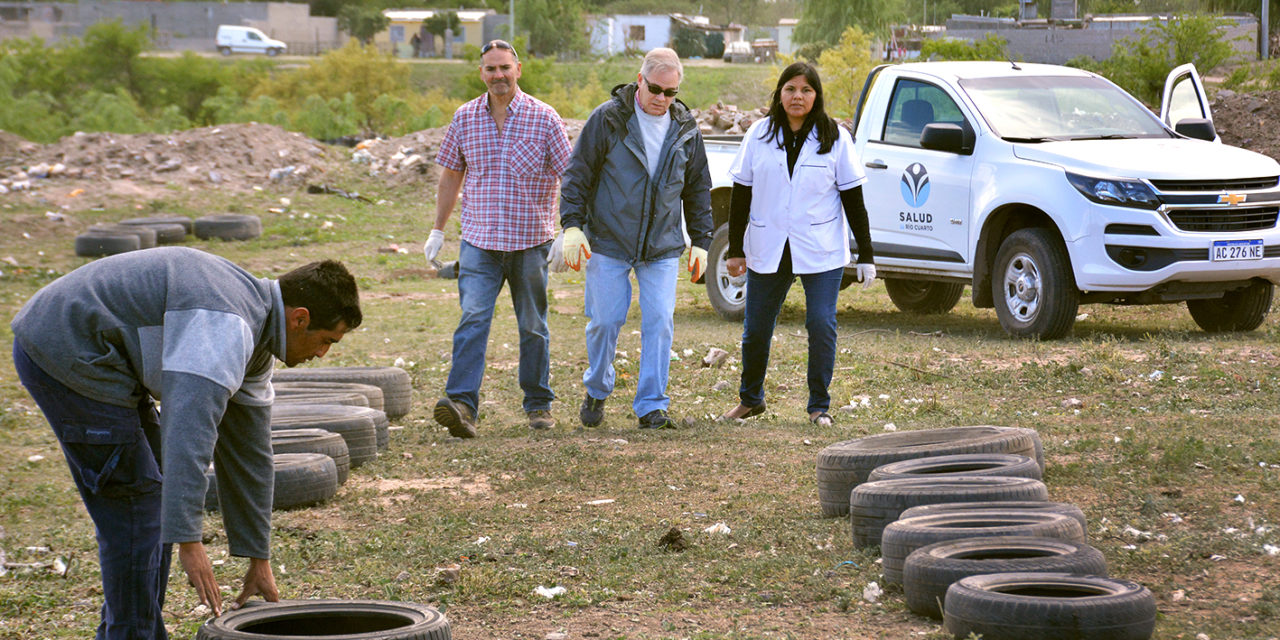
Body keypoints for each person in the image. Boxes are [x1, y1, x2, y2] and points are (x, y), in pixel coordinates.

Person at [11, 247, 362, 639]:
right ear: (300, 319)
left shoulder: (258, 337)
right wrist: (189, 541)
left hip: (106, 354)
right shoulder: (226, 327)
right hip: (69, 347)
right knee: (137, 502)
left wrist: (257, 554)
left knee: (151, 495)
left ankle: (127, 630)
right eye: (327, 340)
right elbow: (188, 431)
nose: (321, 353)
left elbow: (250, 452)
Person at [559, 47, 714, 430]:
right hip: (609, 241)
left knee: (660, 321)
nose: (662, 99)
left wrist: (703, 240)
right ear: (640, 80)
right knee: (605, 321)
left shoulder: (686, 127)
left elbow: (697, 188)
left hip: (660, 246)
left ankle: (651, 406)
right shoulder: (608, 119)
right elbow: (578, 175)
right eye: (656, 89)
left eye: (671, 92)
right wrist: (573, 225)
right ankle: (597, 387)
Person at [425, 39, 572, 437]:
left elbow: (570, 176)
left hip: (530, 242)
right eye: (491, 69)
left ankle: (539, 405)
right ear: (481, 74)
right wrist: (439, 229)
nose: (498, 75)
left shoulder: (544, 118)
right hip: (479, 241)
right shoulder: (464, 117)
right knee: (473, 318)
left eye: (505, 68)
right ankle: (461, 405)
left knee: (533, 326)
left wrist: (569, 229)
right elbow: (452, 174)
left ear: (518, 70)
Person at [717, 62, 876, 427]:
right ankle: (750, 399)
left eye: (806, 90)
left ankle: (819, 405)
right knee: (756, 327)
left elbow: (853, 198)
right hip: (768, 244)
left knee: (821, 323)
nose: (797, 97)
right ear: (779, 94)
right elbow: (741, 194)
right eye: (790, 89)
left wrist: (865, 254)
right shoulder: (759, 134)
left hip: (819, 248)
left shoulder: (835, 137)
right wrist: (736, 248)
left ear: (816, 95)